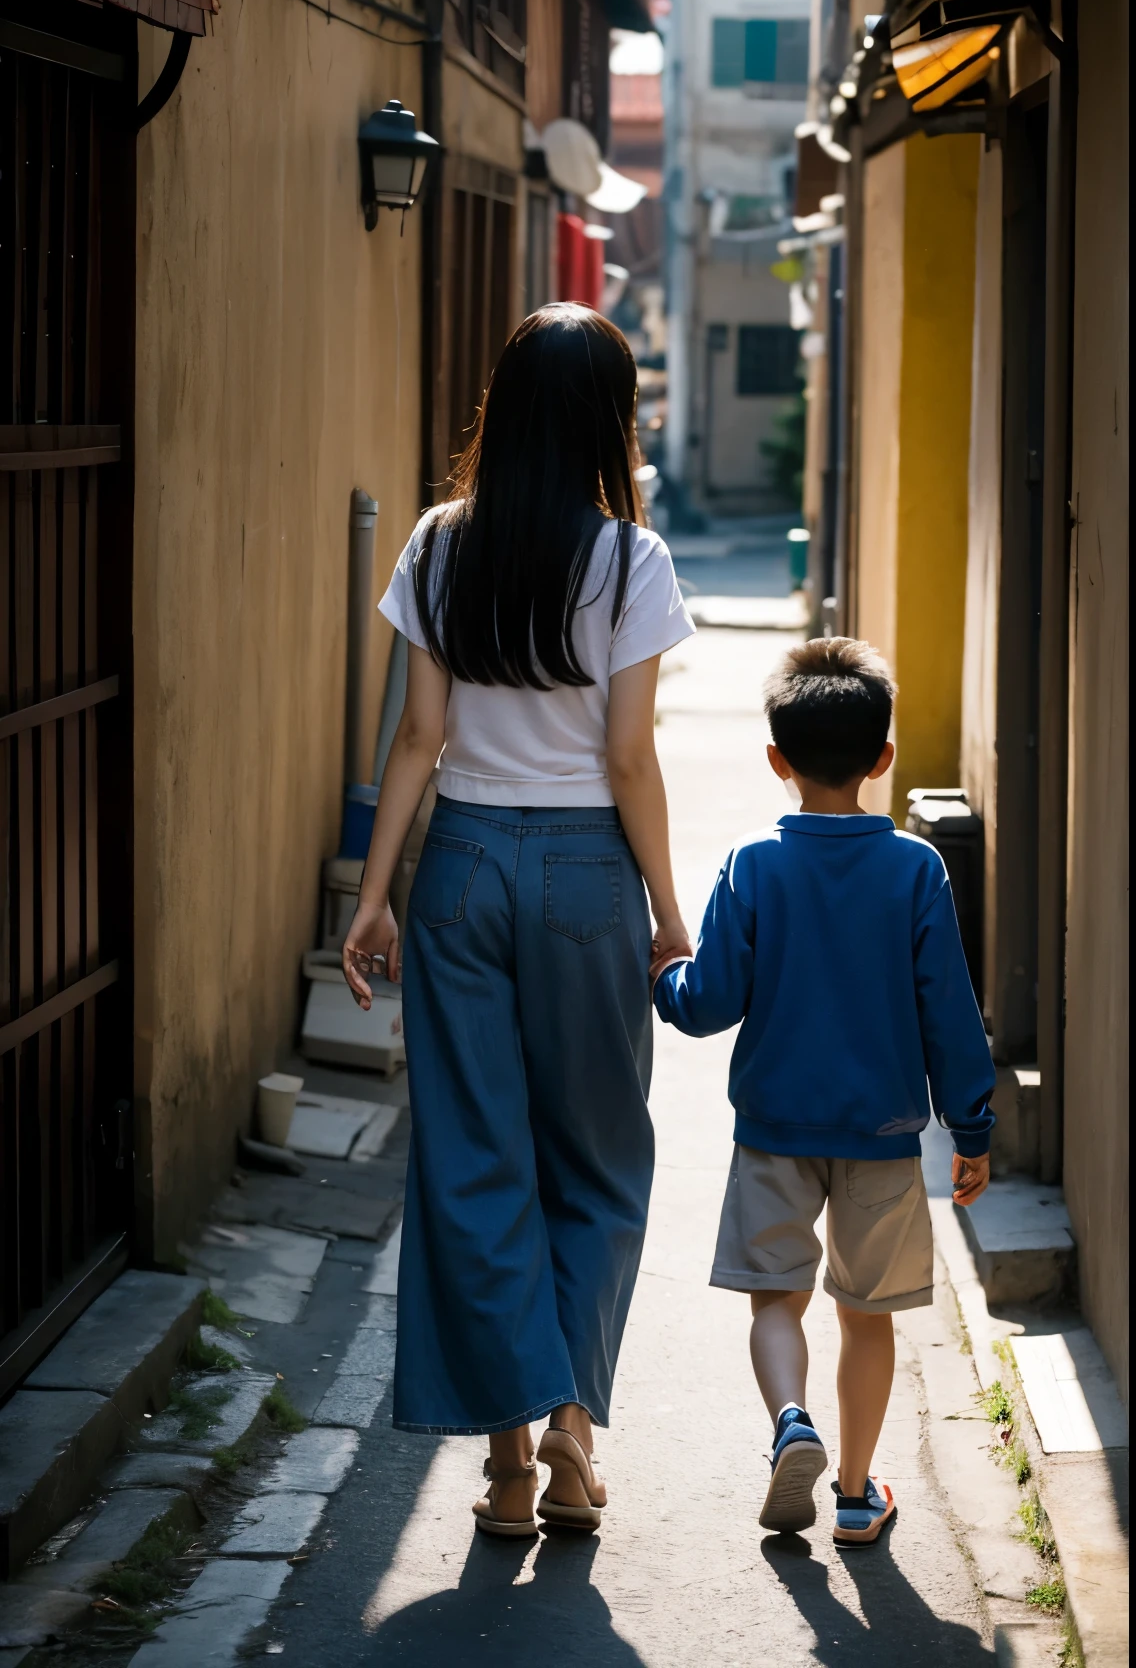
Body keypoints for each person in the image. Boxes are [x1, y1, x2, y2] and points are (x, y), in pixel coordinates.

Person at [342, 303, 694, 1539]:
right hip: (582, 875)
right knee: (595, 1155)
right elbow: (630, 758)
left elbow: (420, 738)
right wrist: (665, 905)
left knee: (474, 1156)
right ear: (609, 421)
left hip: (464, 864)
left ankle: (502, 1463)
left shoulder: (439, 544)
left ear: (500, 408)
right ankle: (571, 1434)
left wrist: (377, 890)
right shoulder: (628, 561)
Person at [652, 636, 995, 1545]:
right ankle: (853, 1493)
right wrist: (972, 1126)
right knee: (868, 1316)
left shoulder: (754, 865)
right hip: (882, 1135)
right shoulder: (917, 870)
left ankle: (788, 1422)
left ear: (778, 761)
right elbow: (949, 1013)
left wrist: (665, 982)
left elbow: (710, 1000)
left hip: (774, 1127)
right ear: (882, 759)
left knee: (777, 1300)